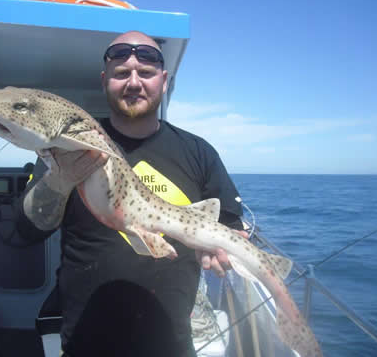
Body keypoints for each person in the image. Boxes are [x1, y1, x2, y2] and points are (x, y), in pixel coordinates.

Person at [14, 31, 244, 357]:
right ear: (105, 80)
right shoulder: (68, 147)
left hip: (172, 342)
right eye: (122, 74)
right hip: (86, 342)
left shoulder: (198, 152)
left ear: (163, 81)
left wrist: (222, 253)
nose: (134, 82)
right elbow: (24, 232)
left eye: (146, 74)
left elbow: (232, 227)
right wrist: (60, 181)